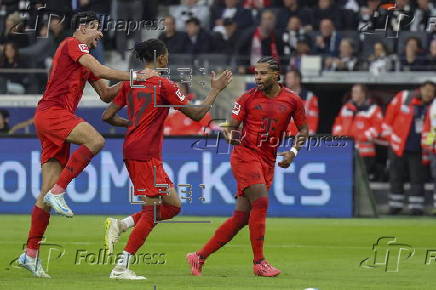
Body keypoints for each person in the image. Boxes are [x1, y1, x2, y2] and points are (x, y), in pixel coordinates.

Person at [17, 11, 154, 278]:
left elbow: (105, 93)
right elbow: (102, 69)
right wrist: (137, 75)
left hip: (54, 118)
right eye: (96, 29)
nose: (100, 35)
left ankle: (30, 253)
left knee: (43, 195)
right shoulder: (72, 44)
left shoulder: (84, 60)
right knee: (95, 139)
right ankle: (60, 190)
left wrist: (132, 86)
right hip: (53, 113)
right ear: (83, 28)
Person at [101, 38, 232, 280]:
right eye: (167, 54)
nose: (168, 58)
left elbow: (107, 115)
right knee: (151, 213)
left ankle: (122, 224)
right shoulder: (164, 84)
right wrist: (215, 89)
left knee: (172, 206)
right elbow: (197, 114)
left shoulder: (132, 80)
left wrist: (133, 125)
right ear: (161, 57)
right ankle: (121, 267)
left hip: (138, 150)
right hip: (144, 154)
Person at [186, 56, 308, 277]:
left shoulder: (293, 100)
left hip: (267, 160)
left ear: (276, 75)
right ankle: (259, 262)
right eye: (256, 73)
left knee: (242, 218)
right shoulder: (246, 99)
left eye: (263, 73)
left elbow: (304, 130)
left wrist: (293, 152)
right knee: (261, 200)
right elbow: (229, 127)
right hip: (245, 155)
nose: (258, 78)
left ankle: (199, 256)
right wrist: (229, 134)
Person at [382, 81, 435, 215]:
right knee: (395, 176)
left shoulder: (433, 106)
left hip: (419, 149)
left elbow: (431, 128)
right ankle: (395, 205)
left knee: (417, 178)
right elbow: (389, 115)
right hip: (398, 144)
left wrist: (428, 145)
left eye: (432, 91)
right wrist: (389, 137)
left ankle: (416, 207)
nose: (429, 93)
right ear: (421, 89)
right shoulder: (404, 96)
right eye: (427, 90)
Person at [332, 84, 383, 179]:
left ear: (363, 94)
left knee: (361, 180)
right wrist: (340, 136)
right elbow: (337, 124)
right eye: (353, 92)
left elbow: (377, 128)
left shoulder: (373, 109)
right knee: (346, 178)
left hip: (365, 153)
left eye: (356, 92)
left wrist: (360, 136)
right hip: (346, 150)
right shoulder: (346, 108)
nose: (353, 94)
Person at [284, 69, 318, 135]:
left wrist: (309, 137)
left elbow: (313, 119)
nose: (287, 81)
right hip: (284, 138)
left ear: (298, 79)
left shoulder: (309, 97)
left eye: (289, 78)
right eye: (286, 78)